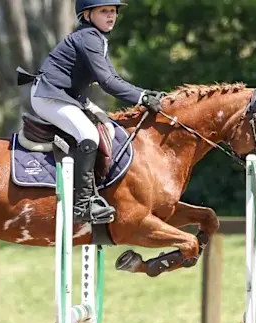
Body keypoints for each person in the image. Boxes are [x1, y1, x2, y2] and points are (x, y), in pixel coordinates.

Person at [17, 0, 165, 224]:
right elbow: (106, 82)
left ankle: (98, 192)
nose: (111, 16)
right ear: (87, 15)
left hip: (66, 96)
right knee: (89, 134)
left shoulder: (96, 38)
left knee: (107, 126)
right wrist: (142, 98)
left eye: (113, 11)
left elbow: (113, 78)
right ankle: (82, 205)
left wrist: (144, 93)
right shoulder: (88, 38)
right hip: (49, 96)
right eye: (104, 11)